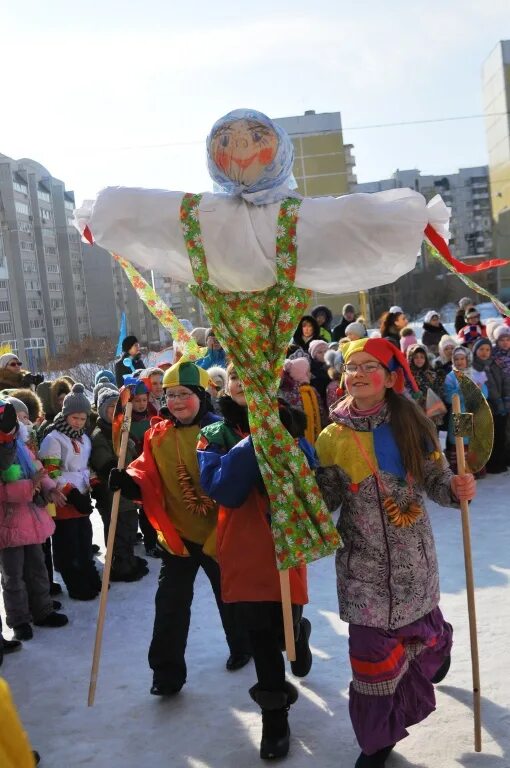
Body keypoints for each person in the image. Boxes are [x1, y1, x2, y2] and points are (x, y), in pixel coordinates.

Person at [315, 337, 476, 768]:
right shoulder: (331, 437)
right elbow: (326, 501)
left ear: (389, 377)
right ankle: (377, 741)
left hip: (413, 563)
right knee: (370, 660)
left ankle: (440, 641)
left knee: (421, 637)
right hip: (360, 568)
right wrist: (294, 490)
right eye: (352, 367)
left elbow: (437, 480)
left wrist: (456, 487)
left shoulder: (412, 424)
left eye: (371, 367)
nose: (360, 374)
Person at [108, 361, 250, 696]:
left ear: (201, 395)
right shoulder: (157, 435)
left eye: (184, 393)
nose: (176, 401)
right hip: (178, 537)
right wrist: (128, 483)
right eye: (170, 395)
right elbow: (146, 474)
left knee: (230, 596)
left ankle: (243, 645)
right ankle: (166, 673)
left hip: (221, 533)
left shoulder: (223, 431)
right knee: (169, 603)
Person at [197, 364, 312, 760]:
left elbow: (308, 476)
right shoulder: (213, 434)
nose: (242, 381)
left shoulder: (291, 421)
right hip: (244, 550)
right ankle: (275, 718)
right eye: (234, 374)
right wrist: (256, 442)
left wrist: (283, 437)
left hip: (284, 544)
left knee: (284, 626)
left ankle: (298, 633)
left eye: (252, 372)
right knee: (260, 639)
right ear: (225, 385)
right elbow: (222, 489)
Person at [0, 401, 68, 641]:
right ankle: (19, 619)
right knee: (13, 576)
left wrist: (49, 489)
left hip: (30, 518)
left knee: (37, 567)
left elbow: (38, 470)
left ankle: (42, 609)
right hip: (8, 525)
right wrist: (31, 486)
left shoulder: (22, 447)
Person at [39, 384, 101, 601]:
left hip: (82, 495)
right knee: (68, 542)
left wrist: (95, 482)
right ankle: (74, 581)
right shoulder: (54, 438)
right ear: (65, 416)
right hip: (64, 497)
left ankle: (87, 572)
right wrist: (70, 492)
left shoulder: (83, 438)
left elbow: (85, 465)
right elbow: (50, 470)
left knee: (84, 538)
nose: (78, 422)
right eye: (74, 418)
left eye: (83, 419)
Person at [90, 388, 149, 581]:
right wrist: (117, 468)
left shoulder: (122, 430)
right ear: (103, 410)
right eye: (111, 408)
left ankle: (128, 559)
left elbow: (132, 455)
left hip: (127, 492)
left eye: (118, 406)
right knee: (118, 531)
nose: (115, 411)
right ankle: (120, 566)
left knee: (130, 529)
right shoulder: (101, 435)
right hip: (113, 492)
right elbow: (105, 464)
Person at [472, 338, 509, 473]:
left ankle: (501, 460)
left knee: (501, 434)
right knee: (489, 437)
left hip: (501, 405)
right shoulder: (474, 367)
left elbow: (504, 382)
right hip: (487, 407)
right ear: (475, 351)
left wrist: (505, 399)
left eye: (487, 349)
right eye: (481, 349)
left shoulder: (495, 365)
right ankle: (492, 464)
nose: (484, 352)